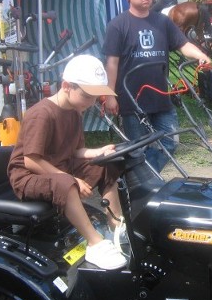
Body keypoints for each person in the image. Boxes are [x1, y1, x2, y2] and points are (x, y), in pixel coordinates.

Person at [7, 55, 127, 270]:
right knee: (66, 184)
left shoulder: (74, 112)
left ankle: (116, 225)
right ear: (66, 86)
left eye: (95, 97)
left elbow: (75, 151)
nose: (91, 103)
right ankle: (95, 243)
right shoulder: (41, 114)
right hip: (28, 176)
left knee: (107, 164)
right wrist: (70, 178)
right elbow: (32, 160)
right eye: (87, 96)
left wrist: (97, 152)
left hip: (59, 166)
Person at [103, 0, 211, 172]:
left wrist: (200, 55)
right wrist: (110, 95)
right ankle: (139, 187)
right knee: (138, 149)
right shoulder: (118, 25)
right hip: (131, 100)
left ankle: (141, 180)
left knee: (170, 143)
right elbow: (111, 62)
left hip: (161, 98)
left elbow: (183, 44)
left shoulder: (162, 22)